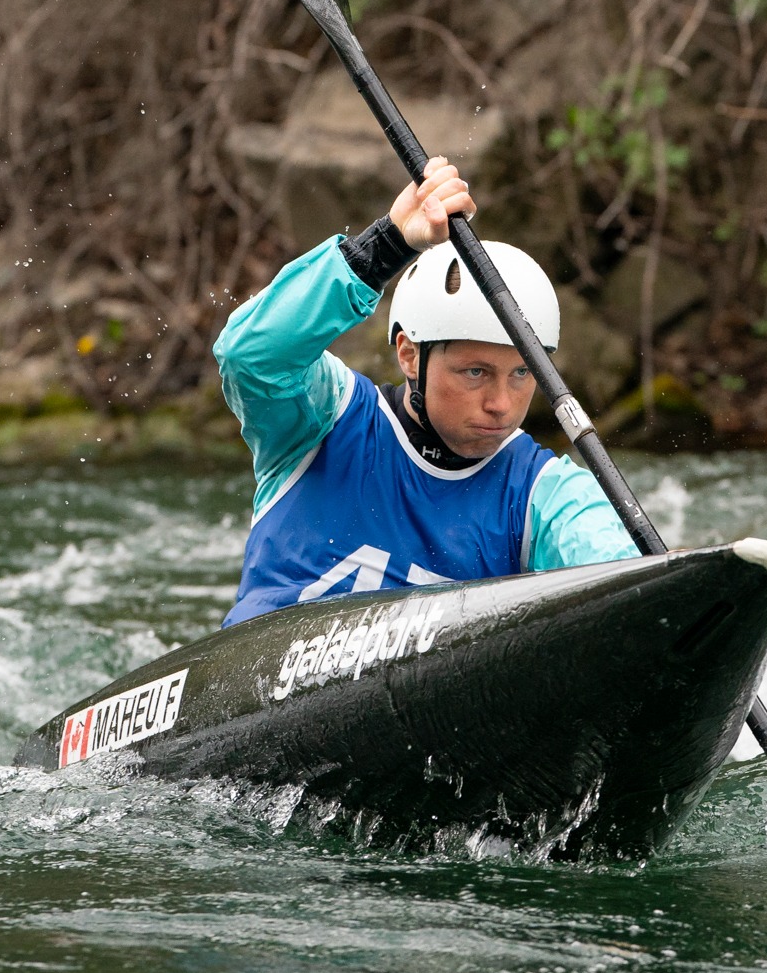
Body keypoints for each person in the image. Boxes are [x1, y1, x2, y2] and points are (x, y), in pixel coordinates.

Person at [213, 156, 639, 627]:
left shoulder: (546, 494)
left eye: (521, 374)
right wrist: (388, 242)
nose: (501, 404)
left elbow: (614, 566)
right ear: (410, 354)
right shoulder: (326, 419)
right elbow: (250, 355)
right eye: (475, 373)